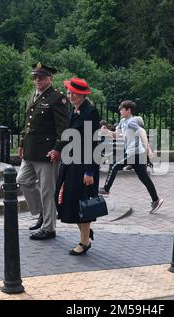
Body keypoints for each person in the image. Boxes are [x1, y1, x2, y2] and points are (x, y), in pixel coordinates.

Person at [17, 62, 69, 240]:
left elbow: (63, 129)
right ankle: (41, 213)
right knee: (22, 180)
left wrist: (58, 149)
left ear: (50, 78)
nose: (37, 80)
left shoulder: (57, 98)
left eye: (41, 77)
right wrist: (22, 142)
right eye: (35, 77)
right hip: (31, 150)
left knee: (48, 190)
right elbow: (28, 123)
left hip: (47, 153)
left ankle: (49, 228)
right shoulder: (34, 95)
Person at [55, 77, 101, 255]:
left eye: (75, 93)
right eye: (70, 92)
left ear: (83, 95)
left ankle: (84, 241)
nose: (71, 95)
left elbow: (92, 142)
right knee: (69, 199)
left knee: (82, 201)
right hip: (71, 161)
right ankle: (85, 232)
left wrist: (89, 171)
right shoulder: (74, 110)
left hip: (84, 164)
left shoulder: (90, 112)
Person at [99, 100, 163, 214]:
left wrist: (149, 150)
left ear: (128, 110)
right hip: (134, 153)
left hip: (136, 153)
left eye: (122, 109)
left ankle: (106, 190)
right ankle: (156, 200)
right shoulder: (123, 121)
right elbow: (115, 136)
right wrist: (106, 131)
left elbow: (142, 133)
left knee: (114, 165)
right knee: (144, 178)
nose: (119, 111)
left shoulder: (131, 122)